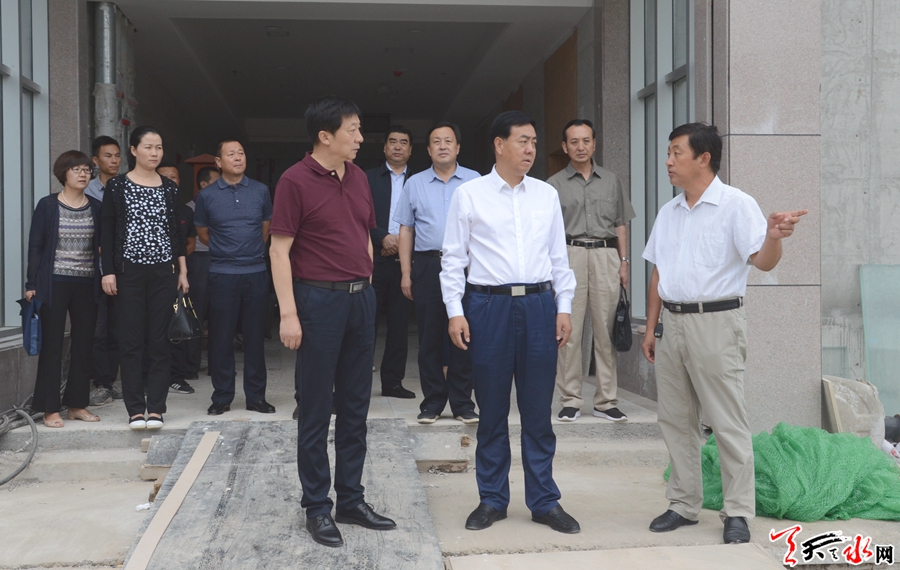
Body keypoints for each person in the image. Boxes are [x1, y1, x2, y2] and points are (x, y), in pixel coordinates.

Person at [641, 123, 807, 544]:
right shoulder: (669, 212)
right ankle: (683, 503)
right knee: (676, 419)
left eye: (676, 152)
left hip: (716, 323)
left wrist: (774, 237)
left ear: (704, 158)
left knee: (726, 420)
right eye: (668, 152)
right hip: (672, 324)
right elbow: (659, 272)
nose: (668, 161)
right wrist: (652, 326)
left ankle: (737, 511)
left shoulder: (736, 205)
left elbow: (762, 261)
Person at [441, 111, 580, 534]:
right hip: (488, 307)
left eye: (534, 141)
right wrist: (455, 311)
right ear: (499, 145)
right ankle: (492, 499)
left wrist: (564, 305)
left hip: (539, 305)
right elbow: (453, 258)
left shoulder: (546, 195)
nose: (530, 149)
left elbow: (559, 256)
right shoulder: (469, 195)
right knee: (492, 410)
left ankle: (544, 501)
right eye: (522, 140)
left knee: (538, 411)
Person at [270, 96, 395, 548]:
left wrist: (366, 279)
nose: (361, 138)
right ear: (325, 136)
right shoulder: (294, 180)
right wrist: (289, 313)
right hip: (317, 302)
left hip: (360, 301)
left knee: (357, 406)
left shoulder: (358, 176)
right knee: (317, 408)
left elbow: (364, 233)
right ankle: (317, 508)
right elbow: (279, 250)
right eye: (353, 130)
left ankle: (351, 500)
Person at [101, 126, 189, 431]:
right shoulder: (117, 186)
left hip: (164, 271)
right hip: (129, 272)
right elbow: (107, 231)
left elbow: (176, 233)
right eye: (148, 147)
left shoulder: (169, 188)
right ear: (134, 150)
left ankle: (157, 409)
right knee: (131, 341)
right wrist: (108, 270)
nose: (154, 153)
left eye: (159, 147)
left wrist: (182, 271)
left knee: (159, 342)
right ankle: (136, 410)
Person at [547, 119, 635, 422]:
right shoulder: (553, 185)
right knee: (568, 331)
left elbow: (620, 224)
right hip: (569, 255)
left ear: (594, 144)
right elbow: (548, 232)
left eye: (586, 140)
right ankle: (570, 399)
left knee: (606, 331)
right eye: (574, 141)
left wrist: (624, 262)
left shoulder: (611, 180)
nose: (580, 147)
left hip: (605, 255)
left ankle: (606, 401)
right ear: (565, 147)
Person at [395, 121, 479, 424]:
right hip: (428, 265)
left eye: (448, 141)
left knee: (465, 335)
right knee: (429, 336)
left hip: (467, 267)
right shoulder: (414, 183)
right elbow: (406, 230)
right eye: (436, 141)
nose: (443, 146)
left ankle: (462, 403)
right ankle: (432, 402)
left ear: (458, 147)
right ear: (429, 150)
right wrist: (406, 273)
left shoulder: (474, 181)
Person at [195, 140, 274, 416]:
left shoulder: (261, 190)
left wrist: (249, 251)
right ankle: (222, 397)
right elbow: (203, 233)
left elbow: (265, 228)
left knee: (254, 337)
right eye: (231, 154)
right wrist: (227, 250)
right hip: (222, 274)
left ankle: (256, 397)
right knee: (221, 337)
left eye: (241, 153)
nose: (238, 157)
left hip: (255, 272)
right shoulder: (207, 196)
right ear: (218, 162)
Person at [25, 151, 103, 427]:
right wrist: (31, 284)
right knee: (53, 345)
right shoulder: (48, 205)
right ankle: (50, 408)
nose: (83, 174)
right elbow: (36, 247)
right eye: (76, 169)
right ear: (63, 174)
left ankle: (77, 405)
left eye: (87, 170)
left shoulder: (96, 207)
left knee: (83, 344)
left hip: (87, 283)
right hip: (54, 283)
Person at [365, 126, 415, 399]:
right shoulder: (367, 178)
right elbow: (360, 215)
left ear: (410, 150)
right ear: (384, 147)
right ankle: (360, 381)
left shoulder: (419, 181)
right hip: (373, 260)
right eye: (392, 141)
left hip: (406, 263)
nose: (397, 146)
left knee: (399, 325)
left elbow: (427, 219)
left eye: (403, 142)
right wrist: (382, 237)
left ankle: (392, 383)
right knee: (366, 324)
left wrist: (401, 243)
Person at [86, 136, 122, 407]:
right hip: (93, 271)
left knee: (118, 330)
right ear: (96, 160)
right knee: (97, 330)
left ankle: (111, 380)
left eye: (117, 155)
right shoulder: (86, 191)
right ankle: (101, 383)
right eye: (108, 156)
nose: (114, 160)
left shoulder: (125, 187)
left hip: (122, 271)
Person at [156, 163, 198, 395]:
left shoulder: (185, 211)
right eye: (165, 177)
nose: (170, 181)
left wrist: (178, 265)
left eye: (174, 177)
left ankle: (176, 377)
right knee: (151, 327)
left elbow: (190, 243)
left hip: (177, 275)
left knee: (178, 323)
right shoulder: (146, 206)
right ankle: (148, 377)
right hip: (151, 275)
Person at [185, 166, 220, 378]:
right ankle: (191, 366)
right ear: (203, 185)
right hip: (198, 261)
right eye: (216, 182)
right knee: (195, 313)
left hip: (221, 261)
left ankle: (218, 366)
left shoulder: (222, 204)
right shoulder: (190, 208)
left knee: (219, 315)